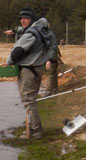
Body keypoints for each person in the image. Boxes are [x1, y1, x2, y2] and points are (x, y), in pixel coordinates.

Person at [5, 8, 55, 138]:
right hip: (36, 69)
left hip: (29, 70)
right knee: (30, 100)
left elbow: (19, 50)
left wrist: (9, 61)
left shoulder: (31, 33)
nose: (23, 20)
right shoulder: (39, 29)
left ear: (32, 19)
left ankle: (35, 130)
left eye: (26, 18)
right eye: (21, 18)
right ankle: (32, 128)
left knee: (28, 100)